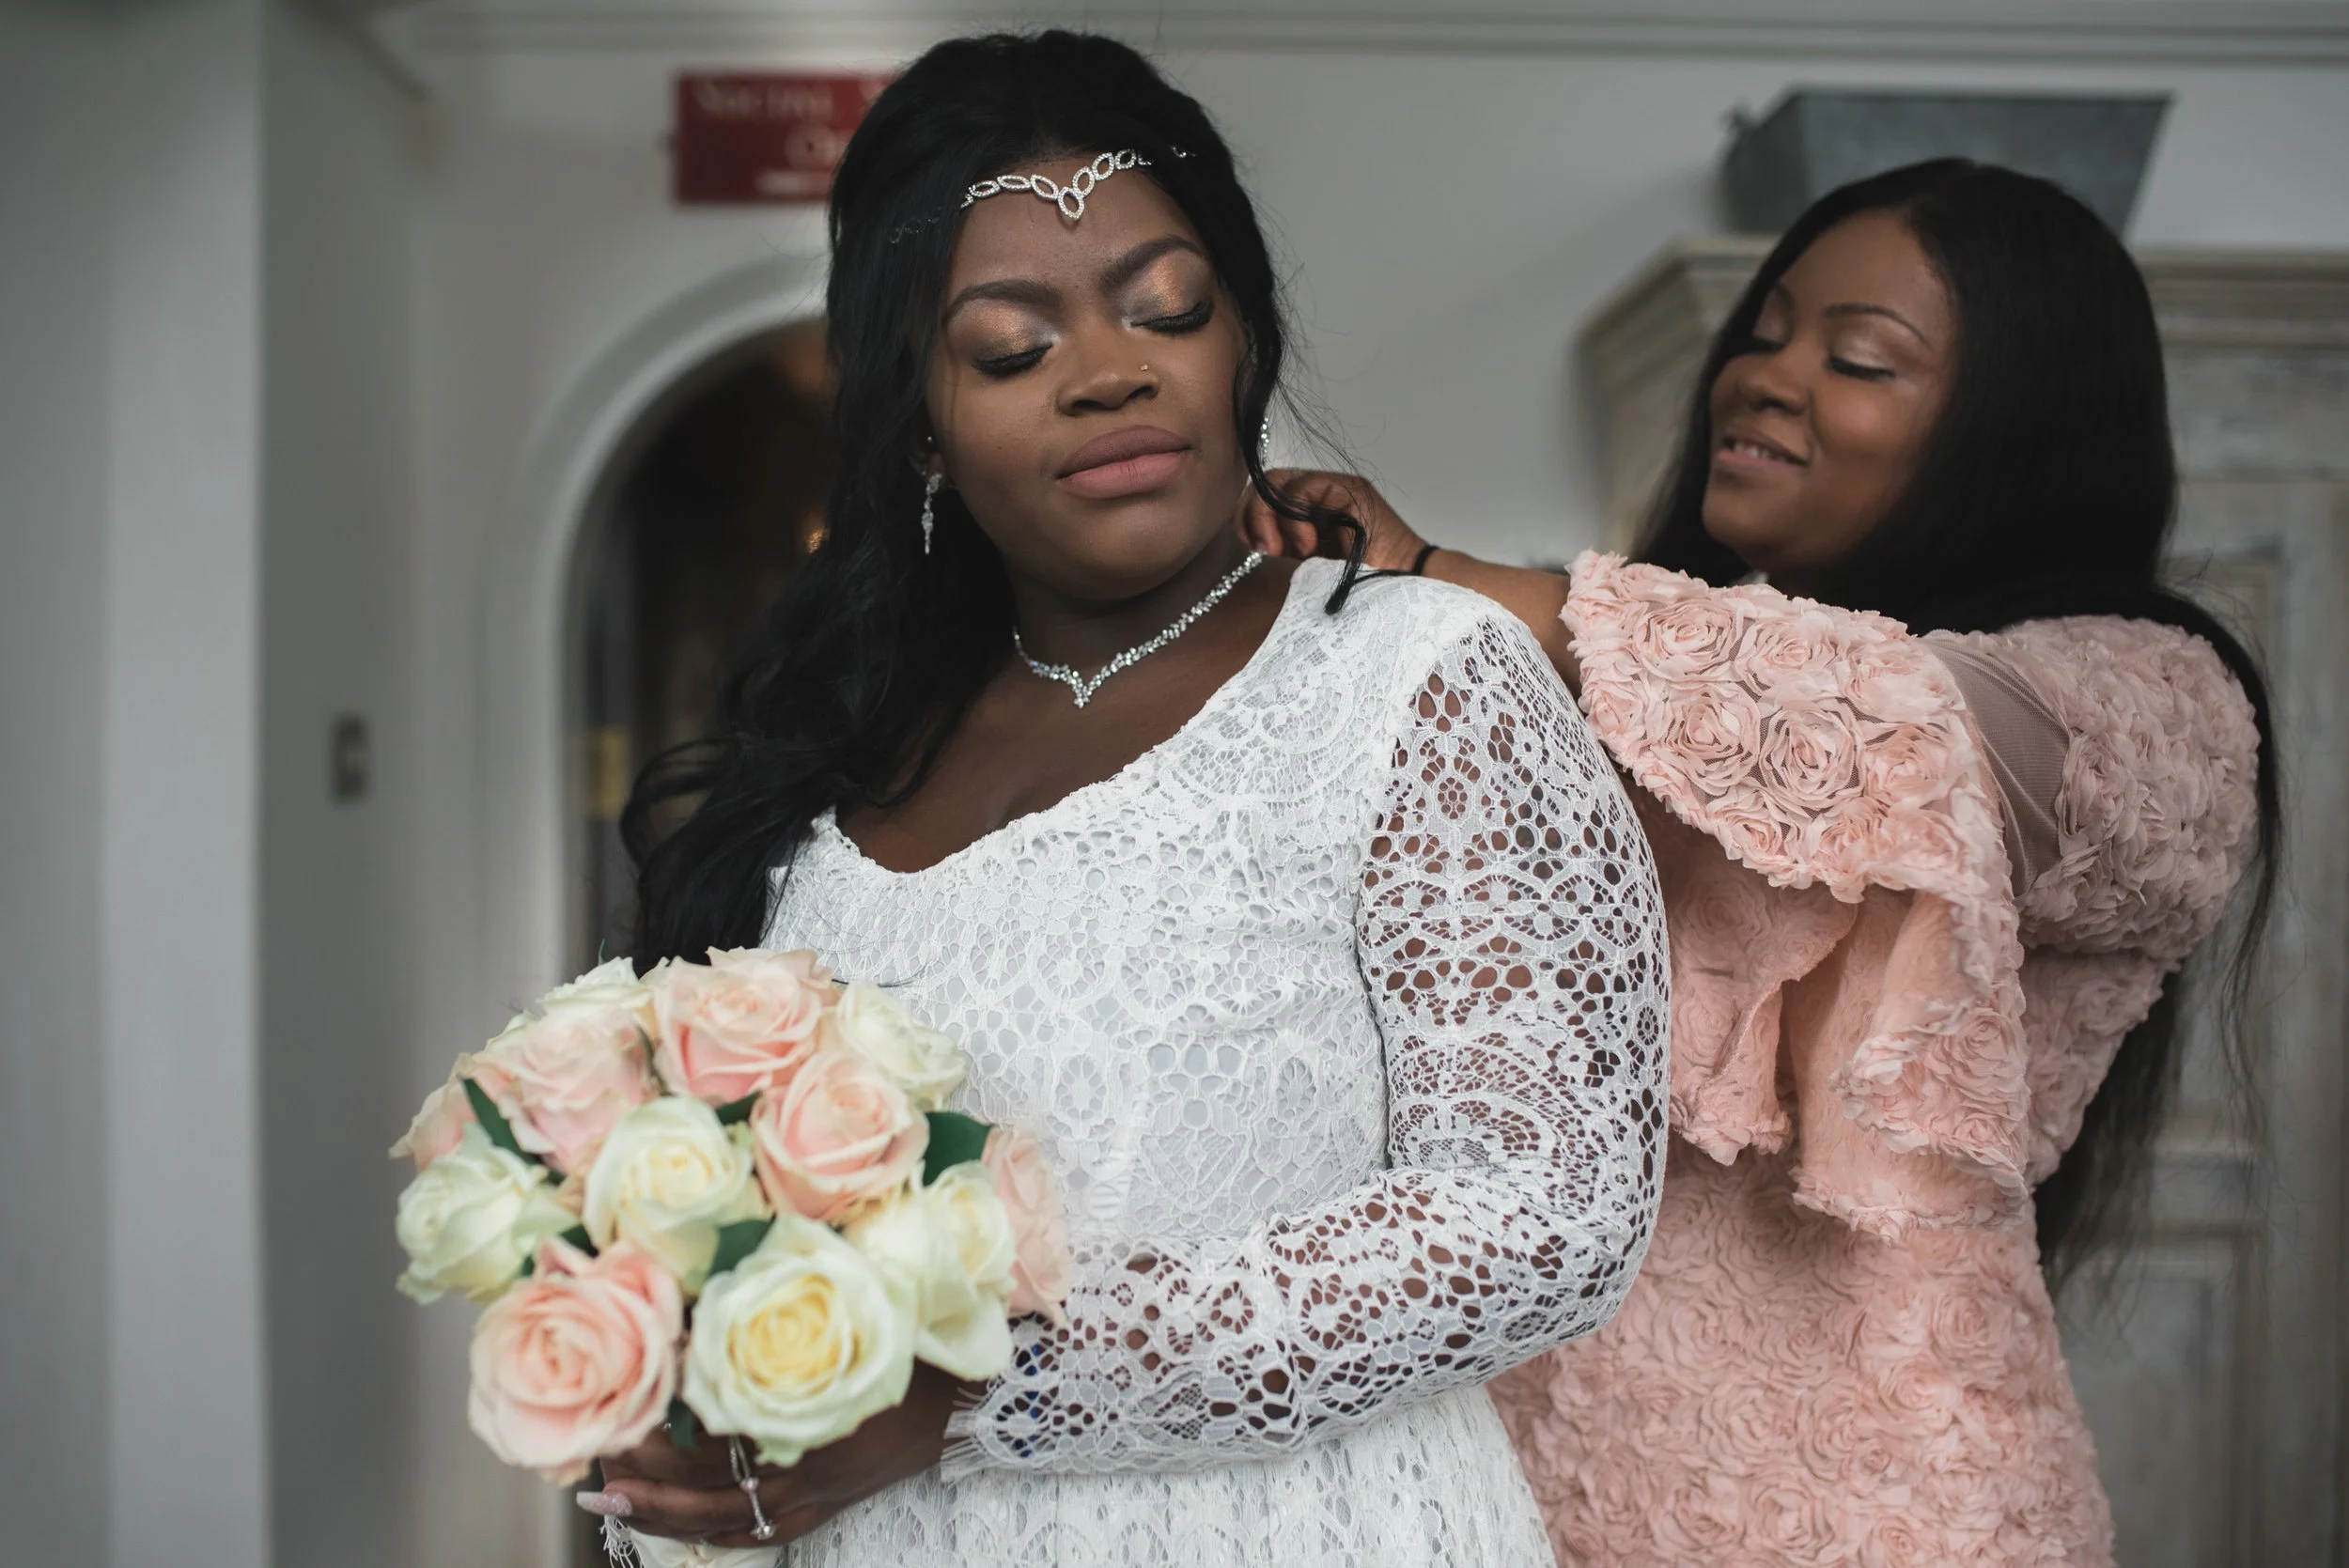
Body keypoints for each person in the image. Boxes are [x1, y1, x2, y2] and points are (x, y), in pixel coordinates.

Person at [581, 31, 1671, 1568]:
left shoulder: (1417, 684)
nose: (1108, 372)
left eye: (1170, 307)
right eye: (1013, 349)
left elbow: (1538, 1218)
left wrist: (983, 1384)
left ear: (1244, 343)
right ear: (923, 430)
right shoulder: (841, 769)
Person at [1246, 161, 2275, 1564]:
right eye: (1767, 328)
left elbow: (1902, 731)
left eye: (1856, 357)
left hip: (1882, 1511)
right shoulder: (1614, 670)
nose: (1765, 376)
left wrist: (1446, 575)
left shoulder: (2154, 702)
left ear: (2020, 428)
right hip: (1525, 1489)